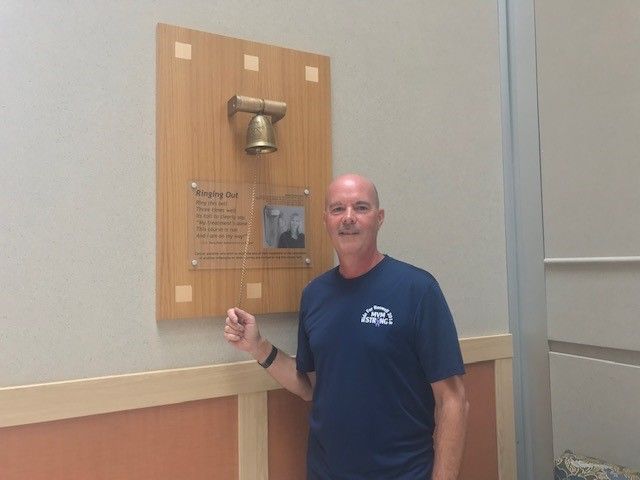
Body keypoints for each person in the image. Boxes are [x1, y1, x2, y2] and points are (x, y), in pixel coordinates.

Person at [224, 174, 468, 479]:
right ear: (326, 220)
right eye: (338, 209)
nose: (348, 218)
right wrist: (257, 346)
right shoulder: (314, 295)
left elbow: (453, 401)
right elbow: (310, 387)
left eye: (361, 208)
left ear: (379, 219)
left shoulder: (418, 290)